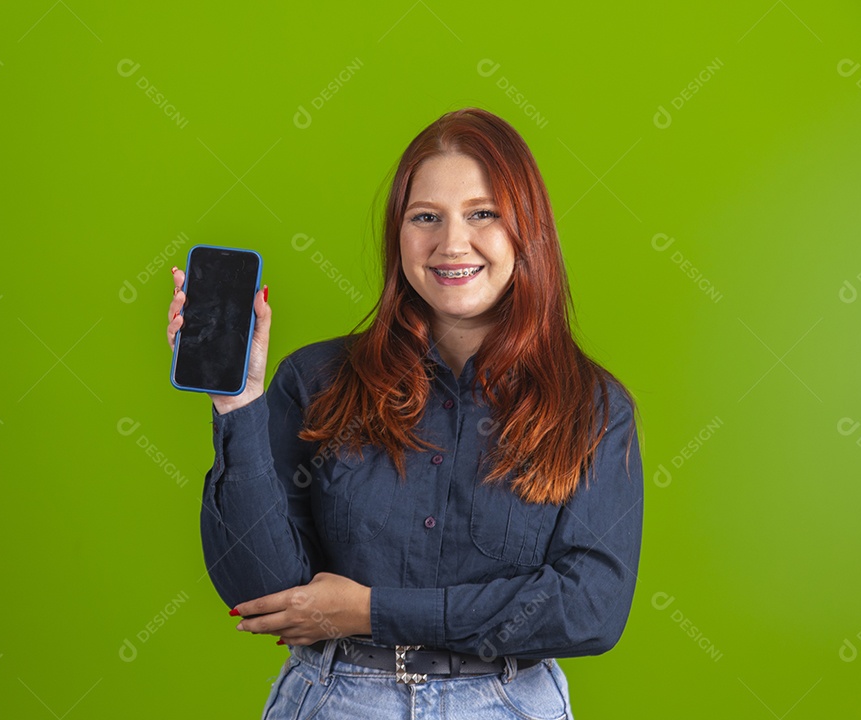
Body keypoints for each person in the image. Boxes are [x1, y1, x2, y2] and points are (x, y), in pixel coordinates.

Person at [166, 107, 644, 720]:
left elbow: (590, 609)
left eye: (483, 214)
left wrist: (367, 610)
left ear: (529, 230)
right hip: (335, 700)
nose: (452, 243)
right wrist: (238, 403)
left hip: (507, 704)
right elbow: (263, 592)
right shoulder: (316, 381)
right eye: (426, 217)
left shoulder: (593, 406)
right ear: (398, 234)